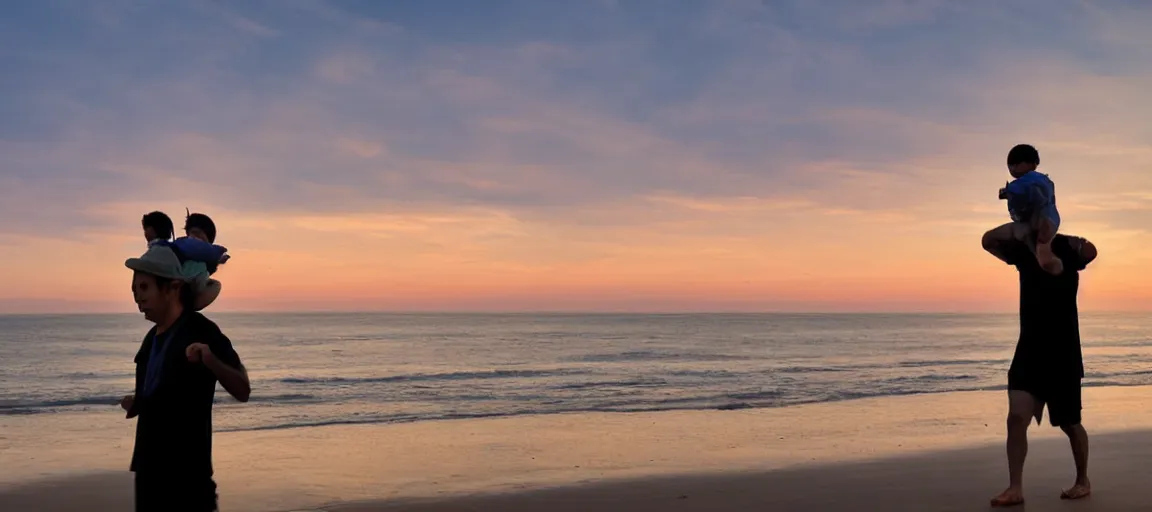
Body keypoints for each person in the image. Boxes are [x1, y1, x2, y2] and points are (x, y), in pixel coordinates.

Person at [120, 244, 251, 512]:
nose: (137, 298)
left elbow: (242, 389)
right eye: (135, 290)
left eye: (144, 288)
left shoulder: (201, 331)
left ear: (172, 287)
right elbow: (159, 394)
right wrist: (139, 402)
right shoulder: (150, 341)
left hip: (188, 480)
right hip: (148, 473)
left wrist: (210, 359)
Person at [983, 232, 1098, 507]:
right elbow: (988, 241)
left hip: (1063, 352)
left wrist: (1054, 233)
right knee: (1016, 418)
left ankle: (1083, 480)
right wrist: (1021, 227)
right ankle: (1015, 488)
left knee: (1070, 423)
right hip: (1029, 350)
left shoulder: (1066, 248)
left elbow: (1090, 252)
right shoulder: (1022, 245)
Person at [983, 144, 1063, 275]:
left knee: (1043, 255)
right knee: (988, 240)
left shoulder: (1035, 179)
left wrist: (1009, 191)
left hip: (1044, 221)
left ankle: (1058, 270)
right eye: (1010, 166)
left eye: (1015, 164)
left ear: (1029, 164)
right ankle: (1020, 258)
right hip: (1025, 226)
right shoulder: (1025, 183)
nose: (1012, 168)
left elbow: (1033, 187)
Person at [142, 210, 230, 311]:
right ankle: (186, 308)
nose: (196, 239)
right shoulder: (183, 244)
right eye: (193, 234)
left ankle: (186, 308)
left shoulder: (197, 256)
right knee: (215, 285)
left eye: (201, 237)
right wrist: (219, 252)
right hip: (181, 282)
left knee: (215, 285)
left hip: (186, 286)